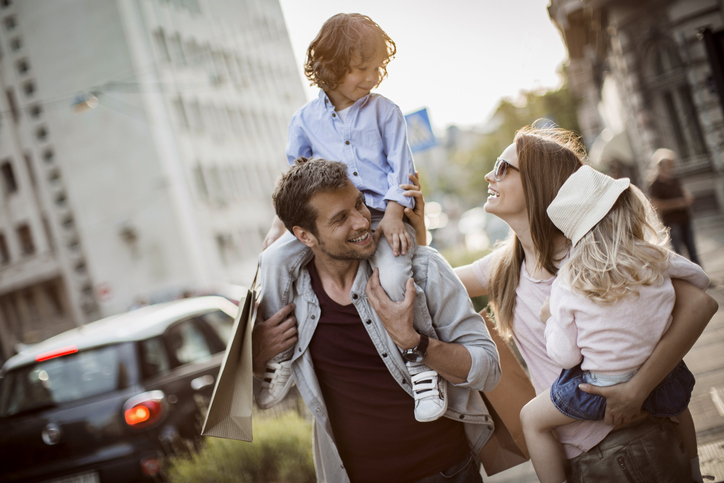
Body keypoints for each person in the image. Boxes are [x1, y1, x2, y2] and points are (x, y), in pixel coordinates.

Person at [445, 126, 718, 482]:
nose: (489, 175)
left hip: (627, 447)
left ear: (537, 184)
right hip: (577, 459)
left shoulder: (592, 257)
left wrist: (636, 389)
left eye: (502, 167)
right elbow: (433, 279)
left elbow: (698, 303)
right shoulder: (505, 265)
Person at [252, 157, 501, 483]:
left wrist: (415, 342)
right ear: (304, 235)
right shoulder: (289, 301)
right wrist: (257, 356)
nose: (361, 222)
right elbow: (265, 397)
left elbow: (488, 370)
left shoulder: (423, 269)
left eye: (359, 204)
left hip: (446, 472)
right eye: (341, 218)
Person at [256, 13, 447, 423]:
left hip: (381, 214)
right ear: (331, 67)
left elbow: (403, 171)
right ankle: (281, 358)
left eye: (378, 66)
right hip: (329, 220)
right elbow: (297, 182)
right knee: (270, 261)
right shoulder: (304, 121)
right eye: (362, 68)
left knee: (396, 278)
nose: (373, 76)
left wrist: (395, 215)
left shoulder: (386, 112)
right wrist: (278, 227)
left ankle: (421, 367)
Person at [517, 166, 709, 483]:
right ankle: (695, 471)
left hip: (600, 391)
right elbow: (699, 281)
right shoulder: (655, 257)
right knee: (680, 406)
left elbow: (565, 356)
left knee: (531, 420)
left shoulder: (568, 281)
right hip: (662, 381)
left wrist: (550, 319)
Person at [649, 148, 701, 266]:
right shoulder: (655, 184)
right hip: (672, 222)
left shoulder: (674, 178)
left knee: (693, 250)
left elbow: (684, 192)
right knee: (679, 253)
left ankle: (701, 276)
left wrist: (688, 197)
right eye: (669, 164)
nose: (672, 167)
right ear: (661, 166)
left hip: (685, 218)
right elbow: (657, 205)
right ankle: (687, 279)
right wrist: (678, 203)